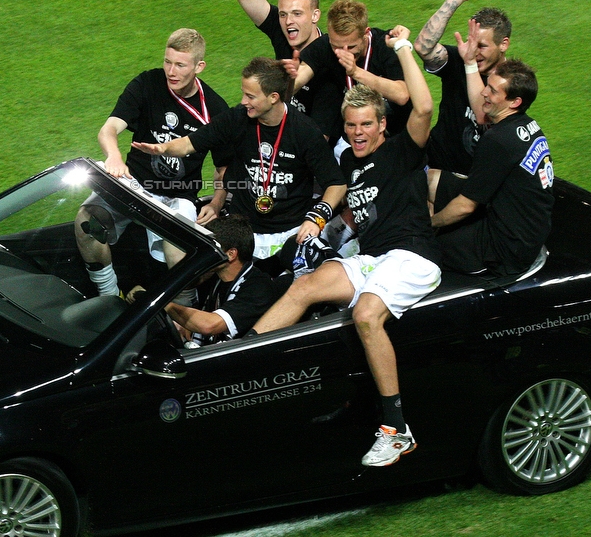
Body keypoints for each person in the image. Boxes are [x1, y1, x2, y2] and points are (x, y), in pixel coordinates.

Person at [251, 26, 442, 468]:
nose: (357, 133)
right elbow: (357, 214)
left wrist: (403, 48)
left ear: (382, 125)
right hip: (375, 259)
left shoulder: (403, 151)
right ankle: (239, 354)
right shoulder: (347, 162)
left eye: (365, 126)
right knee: (304, 287)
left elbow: (425, 104)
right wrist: (323, 233)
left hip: (413, 257)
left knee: (365, 315)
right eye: (351, 125)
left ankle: (397, 430)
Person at [132, 57, 346, 261]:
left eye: (251, 96)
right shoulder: (237, 119)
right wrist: (163, 148)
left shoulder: (305, 131)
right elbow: (190, 143)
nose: (244, 101)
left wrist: (317, 218)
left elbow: (336, 183)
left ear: (273, 97)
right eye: (244, 94)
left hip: (288, 233)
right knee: (195, 258)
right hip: (242, 230)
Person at [75, 29, 229, 298]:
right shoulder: (148, 84)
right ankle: (108, 295)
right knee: (86, 221)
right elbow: (108, 129)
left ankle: (185, 314)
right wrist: (114, 156)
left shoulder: (215, 109)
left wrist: (216, 202)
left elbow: (224, 166)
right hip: (133, 186)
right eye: (167, 62)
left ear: (199, 66)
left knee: (179, 250)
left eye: (180, 65)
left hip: (177, 197)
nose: (171, 71)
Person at [430, 59, 553, 276]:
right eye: (487, 85)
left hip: (506, 248)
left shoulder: (498, 140)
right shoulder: (528, 125)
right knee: (430, 179)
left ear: (514, 102)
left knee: (419, 244)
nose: (484, 93)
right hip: (524, 228)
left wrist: (430, 224)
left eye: (493, 91)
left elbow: (466, 206)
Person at [413, 0, 512, 174]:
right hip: (434, 164)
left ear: (503, 44)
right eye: (472, 43)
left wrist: (470, 65)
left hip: (474, 180)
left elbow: (483, 117)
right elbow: (423, 46)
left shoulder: (513, 82)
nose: (474, 52)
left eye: (482, 46)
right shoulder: (460, 58)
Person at [290, 0, 411, 154]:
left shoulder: (386, 45)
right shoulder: (324, 46)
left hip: (397, 138)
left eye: (351, 46)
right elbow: (299, 78)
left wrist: (356, 72)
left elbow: (402, 94)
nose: (343, 53)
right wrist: (289, 79)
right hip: (356, 142)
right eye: (336, 46)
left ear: (366, 34)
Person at [233, 0, 326, 117]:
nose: (288, 22)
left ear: (315, 15)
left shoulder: (330, 55)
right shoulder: (282, 28)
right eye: (283, 14)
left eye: (297, 14)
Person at [164, 215, 276, 345]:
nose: (202, 253)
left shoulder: (258, 287)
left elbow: (209, 325)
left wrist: (161, 304)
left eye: (209, 247)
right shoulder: (213, 278)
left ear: (230, 254)